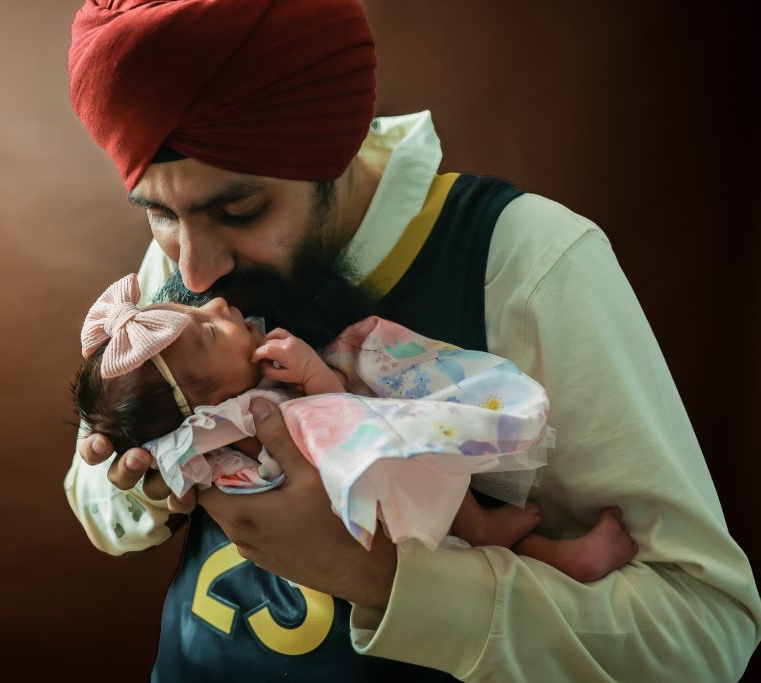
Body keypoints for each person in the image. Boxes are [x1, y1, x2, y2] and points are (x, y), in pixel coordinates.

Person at [63, 1, 761, 680]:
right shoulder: (181, 276)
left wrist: (381, 577)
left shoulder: (527, 262)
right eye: (158, 213)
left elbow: (707, 633)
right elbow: (96, 506)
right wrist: (142, 489)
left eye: (240, 208)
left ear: (331, 150)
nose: (193, 270)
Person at [74, 273, 639, 581]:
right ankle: (541, 551)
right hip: (363, 518)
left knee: (468, 561)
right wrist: (314, 375)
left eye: (199, 312)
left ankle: (527, 546)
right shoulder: (238, 423)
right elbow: (341, 425)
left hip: (372, 535)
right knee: (462, 545)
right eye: (211, 332)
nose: (215, 302)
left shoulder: (228, 394)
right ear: (204, 405)